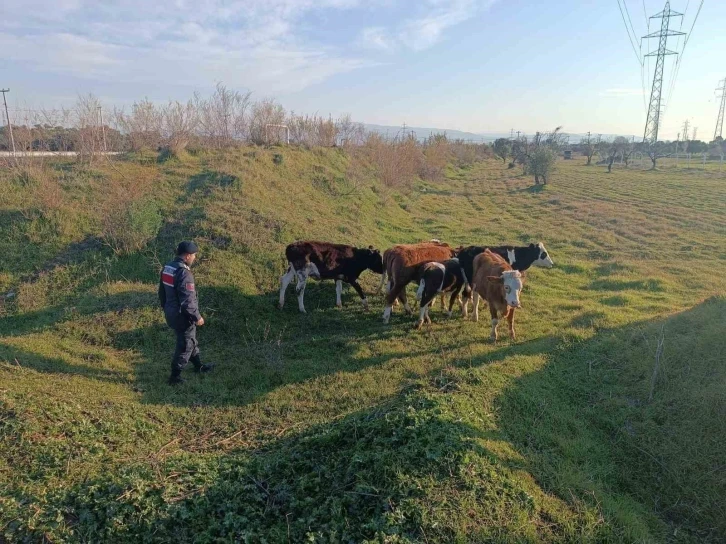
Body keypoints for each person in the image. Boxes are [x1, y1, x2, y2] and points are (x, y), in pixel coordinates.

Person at [158, 241, 214, 385]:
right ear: (188, 256)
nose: (195, 258)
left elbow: (162, 292)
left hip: (171, 311)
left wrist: (166, 307)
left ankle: (198, 366)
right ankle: (174, 377)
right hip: (183, 315)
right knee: (185, 345)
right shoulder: (184, 273)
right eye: (194, 255)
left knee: (190, 340)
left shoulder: (168, 267)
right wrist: (197, 317)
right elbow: (188, 300)